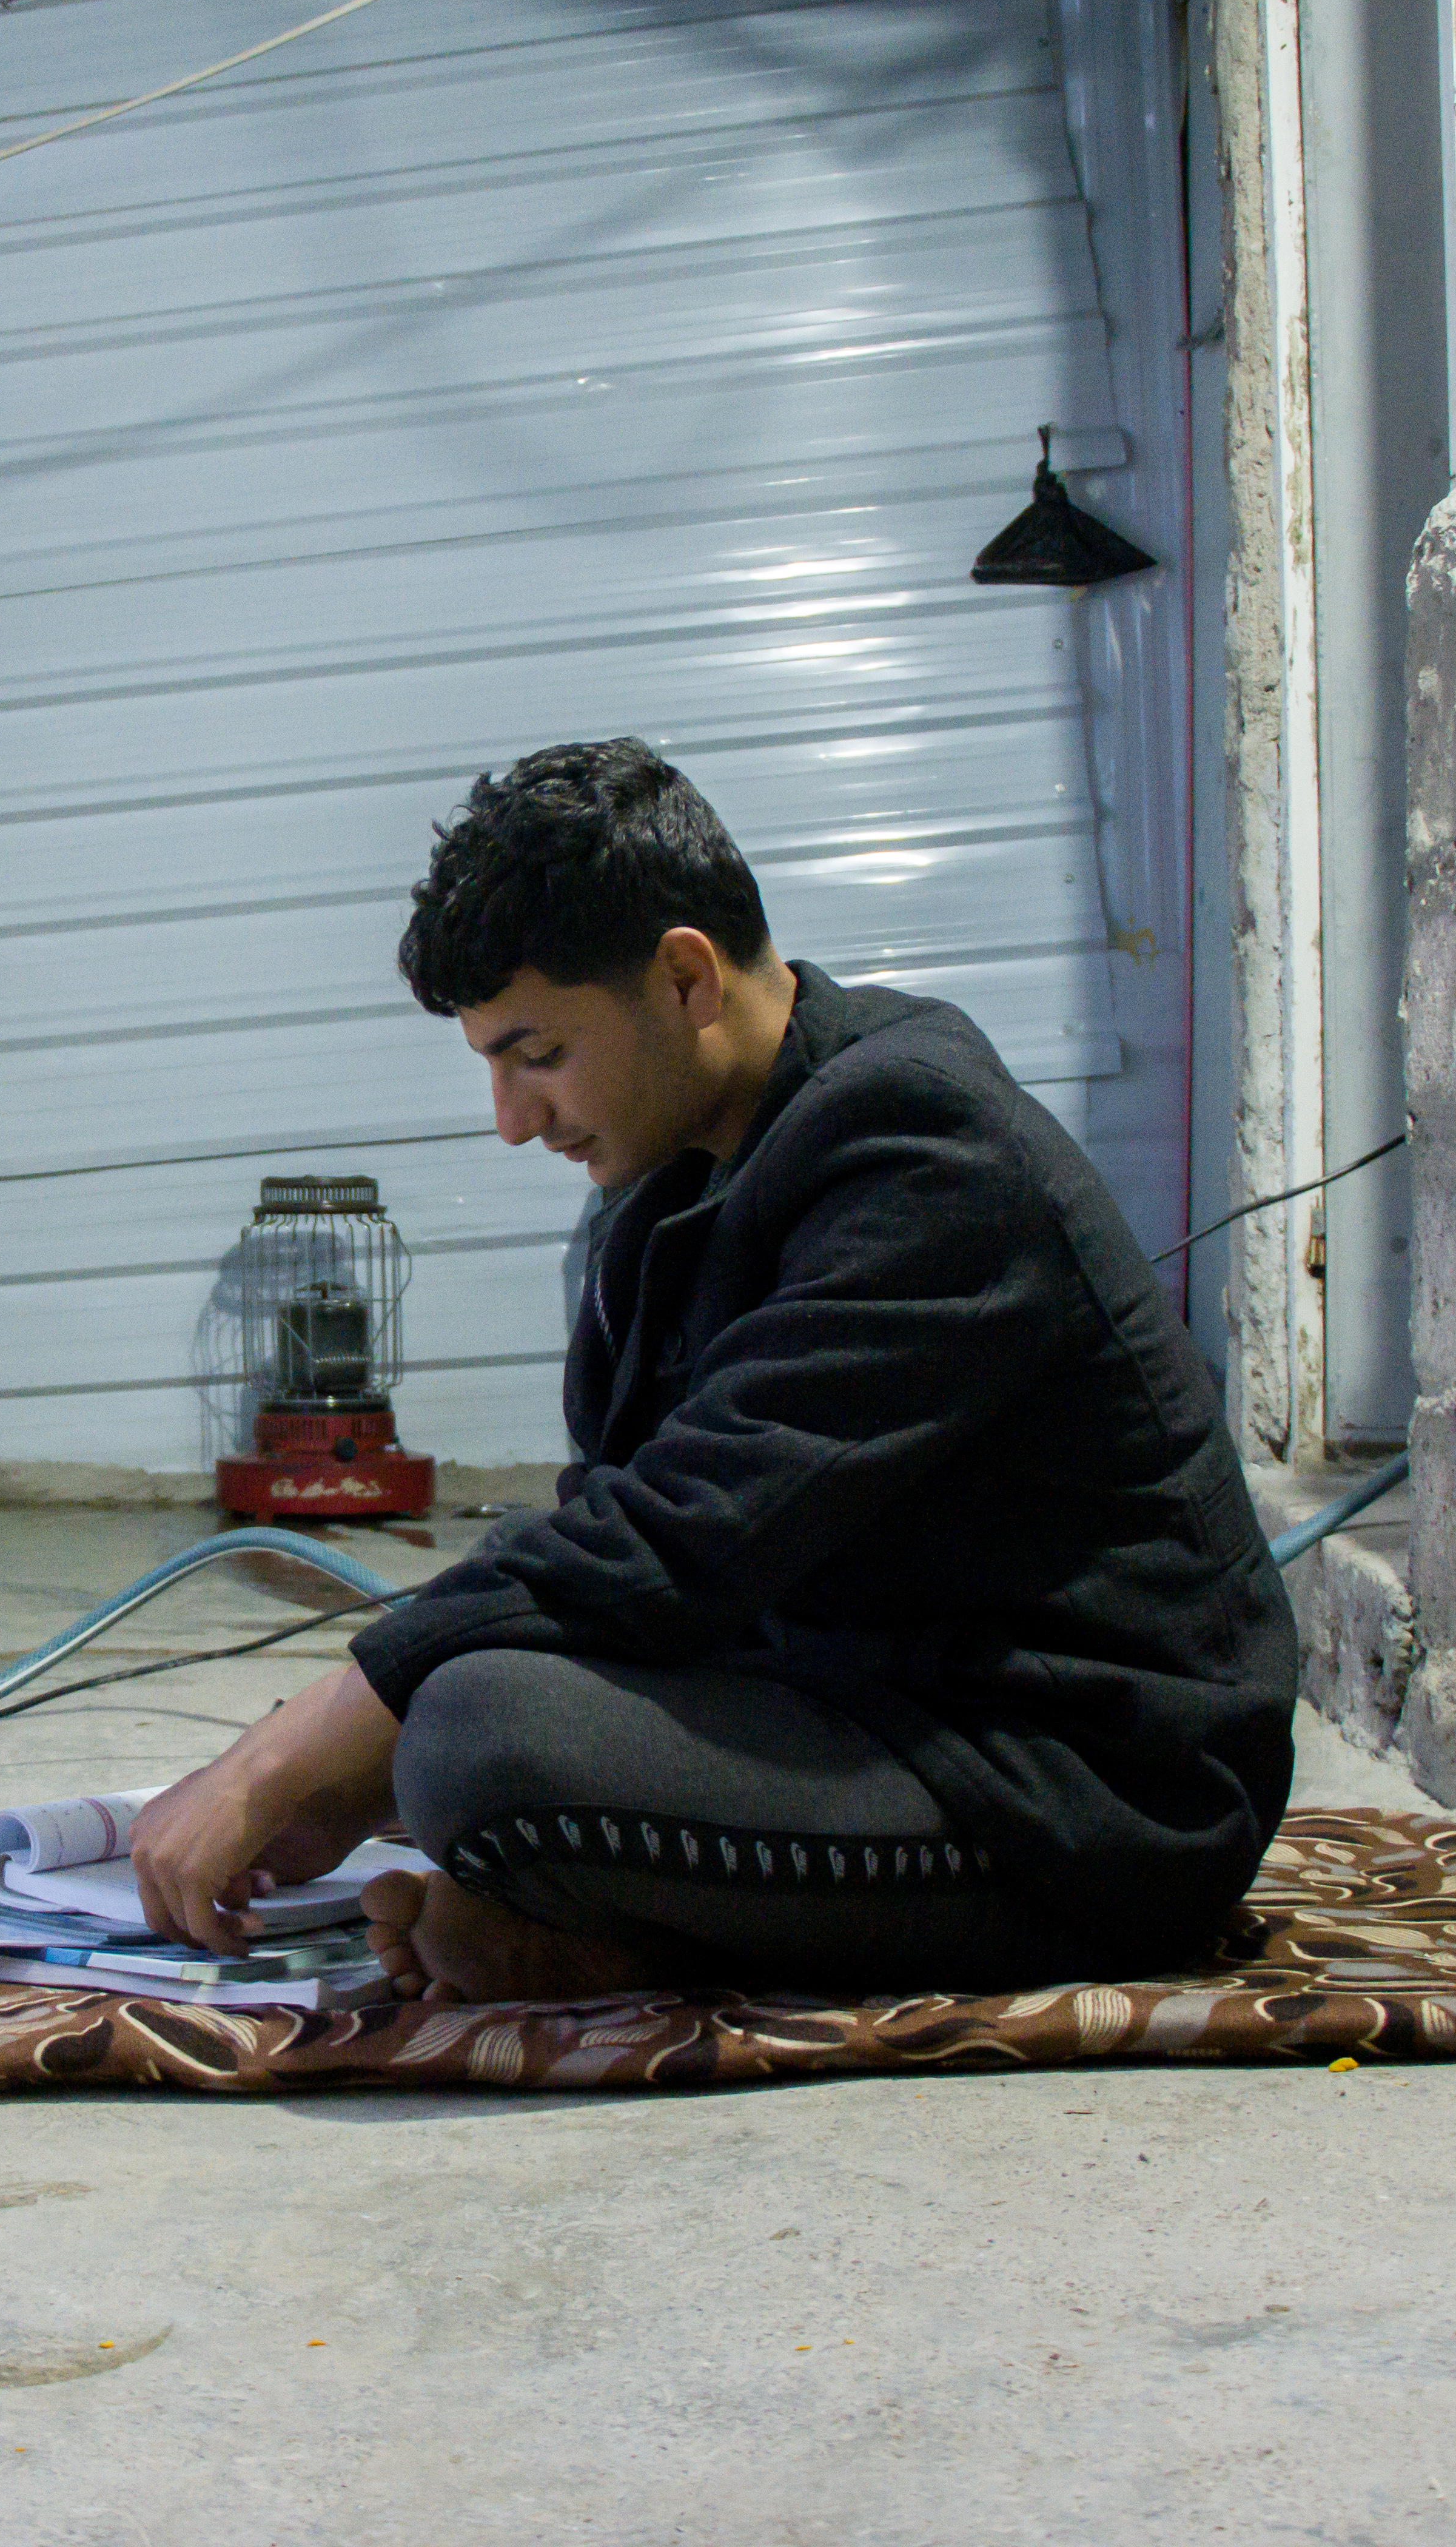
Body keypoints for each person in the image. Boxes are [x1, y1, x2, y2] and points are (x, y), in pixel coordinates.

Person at [130, 739, 1298, 2002]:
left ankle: (623, 1929)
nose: (511, 1118)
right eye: (490, 1066)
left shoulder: (923, 1147)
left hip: (1079, 1790)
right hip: (861, 1697)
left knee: (476, 1743)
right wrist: (350, 1759)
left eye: (536, 1054)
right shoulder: (667, 1172)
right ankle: (620, 1925)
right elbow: (608, 1532)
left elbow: (677, 1540)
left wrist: (299, 1751)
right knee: (453, 1713)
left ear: (686, 977)